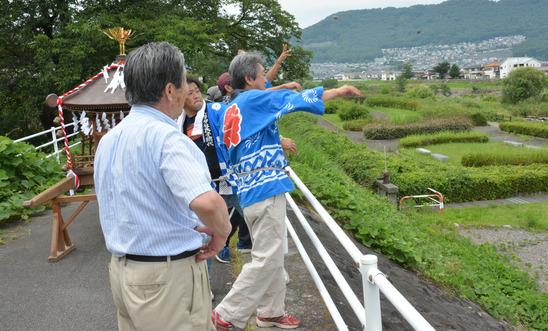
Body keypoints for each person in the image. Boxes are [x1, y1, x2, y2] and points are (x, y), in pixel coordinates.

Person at [209, 52, 362, 331]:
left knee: (272, 254)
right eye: (262, 73)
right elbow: (292, 101)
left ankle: (271, 312)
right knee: (268, 258)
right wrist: (339, 91)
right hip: (264, 187)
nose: (266, 78)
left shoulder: (233, 106)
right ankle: (227, 313)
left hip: (248, 188)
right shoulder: (254, 100)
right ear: (249, 79)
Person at [94, 42, 231, 331]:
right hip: (166, 277)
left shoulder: (109, 140)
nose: (186, 89)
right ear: (170, 90)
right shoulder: (168, 139)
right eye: (183, 82)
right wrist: (221, 233)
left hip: (123, 271)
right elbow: (207, 203)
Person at [178, 76, 251, 264]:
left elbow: (242, 124)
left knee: (255, 218)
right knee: (207, 234)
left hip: (229, 180)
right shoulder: (178, 123)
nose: (196, 96)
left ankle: (270, 263)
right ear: (179, 97)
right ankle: (207, 285)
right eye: (189, 93)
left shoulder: (216, 110)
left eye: (197, 91)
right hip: (204, 188)